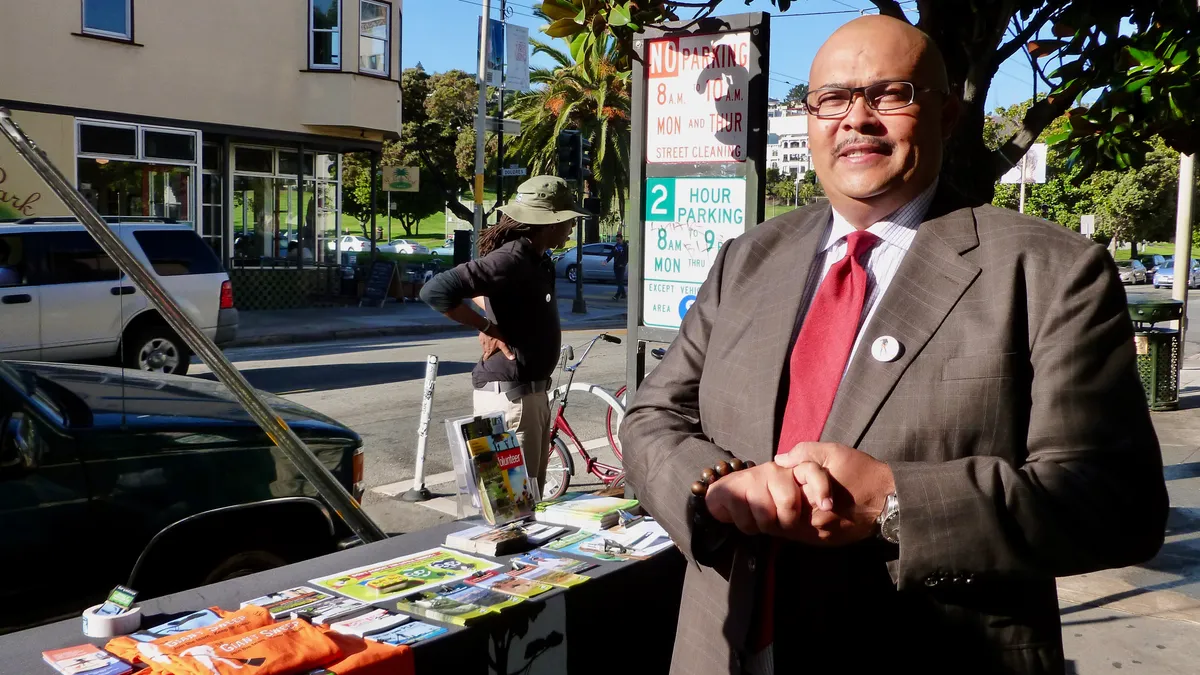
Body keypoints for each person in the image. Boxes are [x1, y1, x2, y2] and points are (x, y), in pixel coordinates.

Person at [620, 15, 1167, 675]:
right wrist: (713, 487)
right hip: (724, 647)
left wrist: (893, 500)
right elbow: (653, 418)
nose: (856, 119)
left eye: (890, 94)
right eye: (832, 99)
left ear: (946, 115)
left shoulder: (1050, 271)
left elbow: (1117, 504)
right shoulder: (748, 258)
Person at [420, 176, 584, 495]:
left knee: (530, 499)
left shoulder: (535, 260)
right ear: (548, 223)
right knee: (509, 505)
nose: (572, 227)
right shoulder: (511, 260)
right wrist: (487, 327)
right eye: (568, 219)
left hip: (529, 396)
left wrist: (490, 313)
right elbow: (436, 291)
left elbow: (489, 292)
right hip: (510, 399)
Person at [602, 232, 628, 300]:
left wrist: (623, 264)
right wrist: (606, 261)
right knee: (618, 281)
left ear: (622, 239)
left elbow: (627, 257)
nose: (618, 241)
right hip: (616, 265)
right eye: (617, 240)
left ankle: (617, 295)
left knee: (620, 281)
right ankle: (624, 294)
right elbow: (611, 254)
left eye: (619, 240)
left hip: (621, 266)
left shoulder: (625, 246)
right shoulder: (616, 246)